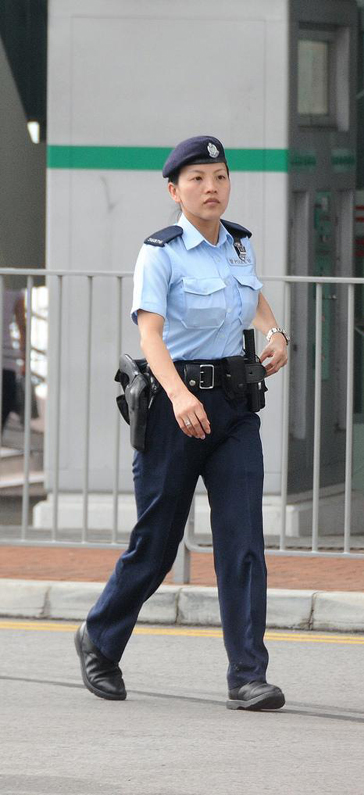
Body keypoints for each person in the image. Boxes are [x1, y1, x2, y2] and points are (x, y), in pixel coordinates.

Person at [75, 135, 290, 711]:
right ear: (175, 191)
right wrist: (177, 397)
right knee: (157, 543)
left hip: (235, 410)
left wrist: (276, 333)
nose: (211, 187)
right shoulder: (161, 252)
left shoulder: (239, 246)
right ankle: (99, 639)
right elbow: (150, 333)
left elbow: (256, 299)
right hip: (176, 409)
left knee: (243, 542)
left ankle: (248, 675)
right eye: (197, 179)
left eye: (219, 176)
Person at [2, 289, 26, 429]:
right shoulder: (14, 288)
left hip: (7, 359)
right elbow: (22, 326)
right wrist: (24, 361)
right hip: (7, 359)